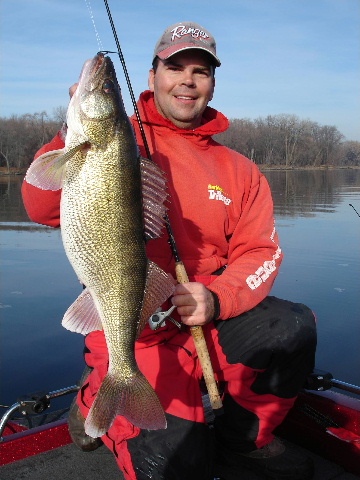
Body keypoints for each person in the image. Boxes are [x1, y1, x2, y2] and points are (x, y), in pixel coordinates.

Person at [22, 22, 317, 480]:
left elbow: (260, 252)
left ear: (212, 83)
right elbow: (40, 206)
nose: (187, 80)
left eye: (200, 70)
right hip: (136, 328)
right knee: (178, 467)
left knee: (291, 325)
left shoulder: (240, 170)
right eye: (174, 66)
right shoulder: (121, 143)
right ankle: (97, 392)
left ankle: (244, 440)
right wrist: (68, 132)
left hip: (208, 320)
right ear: (153, 74)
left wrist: (217, 297)